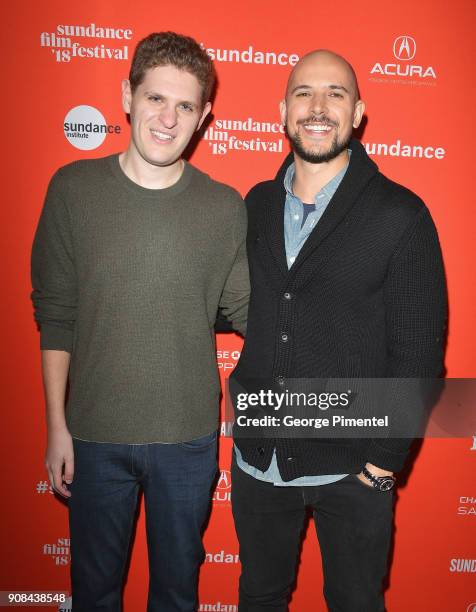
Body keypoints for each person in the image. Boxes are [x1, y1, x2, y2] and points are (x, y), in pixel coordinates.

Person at [31, 31, 249, 612]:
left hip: (189, 440)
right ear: (126, 96)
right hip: (95, 434)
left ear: (204, 117)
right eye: (155, 98)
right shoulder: (72, 191)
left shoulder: (225, 207)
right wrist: (57, 424)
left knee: (177, 594)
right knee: (94, 593)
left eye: (185, 105)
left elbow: (250, 310)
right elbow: (56, 316)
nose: (168, 118)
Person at [229, 49, 447, 611]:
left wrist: (381, 463)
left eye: (335, 94)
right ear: (283, 111)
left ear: (358, 113)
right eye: (303, 93)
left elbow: (419, 353)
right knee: (258, 597)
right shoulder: (252, 206)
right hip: (259, 462)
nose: (318, 106)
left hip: (353, 469)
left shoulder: (401, 214)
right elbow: (235, 308)